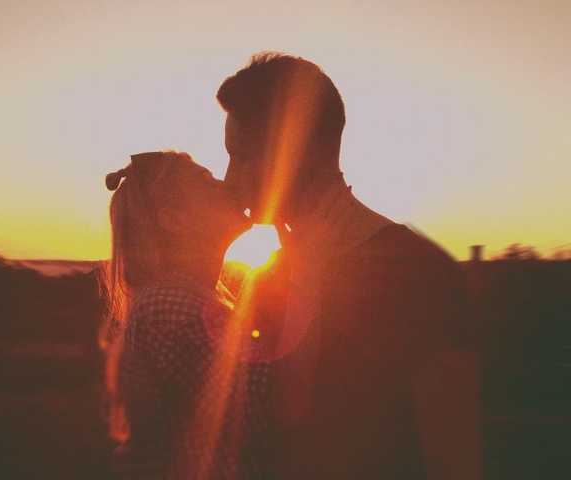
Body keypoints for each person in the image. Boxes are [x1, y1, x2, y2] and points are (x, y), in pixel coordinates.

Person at [217, 52, 477, 479]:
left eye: (242, 157)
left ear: (297, 153)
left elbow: (455, 461)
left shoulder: (418, 274)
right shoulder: (266, 282)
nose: (230, 179)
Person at [99, 151, 274, 480]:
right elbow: (273, 398)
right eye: (207, 182)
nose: (226, 184)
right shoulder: (169, 306)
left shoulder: (187, 298)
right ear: (174, 220)